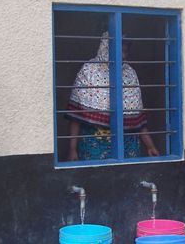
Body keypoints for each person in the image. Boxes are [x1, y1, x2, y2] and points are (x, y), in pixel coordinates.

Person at [66, 32, 159, 161]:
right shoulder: (88, 71)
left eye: (126, 52)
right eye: (119, 51)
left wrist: (150, 146)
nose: (123, 56)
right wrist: (72, 149)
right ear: (106, 49)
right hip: (95, 146)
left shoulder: (130, 74)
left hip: (128, 147)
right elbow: (75, 116)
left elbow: (138, 120)